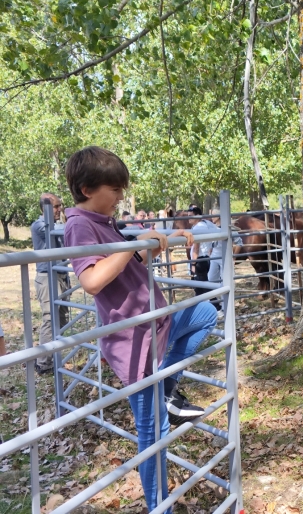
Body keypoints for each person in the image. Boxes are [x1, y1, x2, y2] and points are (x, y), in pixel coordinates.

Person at [63, 146, 217, 513]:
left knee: (206, 312)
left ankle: (166, 389)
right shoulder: (79, 225)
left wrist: (155, 243)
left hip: (156, 322)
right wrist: (134, 244)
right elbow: (94, 280)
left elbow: (127, 261)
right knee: (154, 434)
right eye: (114, 190)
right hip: (132, 339)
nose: (120, 197)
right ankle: (157, 506)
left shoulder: (105, 221)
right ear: (87, 189)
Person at [30, 193, 71, 374]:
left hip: (61, 275)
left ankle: (55, 357)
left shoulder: (58, 225)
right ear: (44, 208)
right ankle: (43, 363)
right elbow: (59, 230)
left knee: (61, 318)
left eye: (60, 206)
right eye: (55, 207)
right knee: (49, 318)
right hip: (47, 277)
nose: (59, 209)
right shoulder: (39, 225)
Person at [188, 207, 218, 301]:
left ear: (197, 216)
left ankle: (215, 305)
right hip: (207, 258)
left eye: (191, 216)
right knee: (204, 285)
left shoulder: (198, 228)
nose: (188, 218)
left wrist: (193, 264)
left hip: (199, 260)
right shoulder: (206, 223)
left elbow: (196, 248)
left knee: (201, 286)